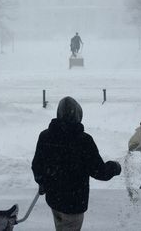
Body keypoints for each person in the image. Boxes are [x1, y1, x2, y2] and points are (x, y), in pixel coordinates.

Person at [32, 96, 121, 231]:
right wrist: (114, 167)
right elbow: (99, 171)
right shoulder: (83, 141)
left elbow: (37, 165)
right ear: (79, 115)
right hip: (73, 204)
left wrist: (42, 181)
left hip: (54, 200)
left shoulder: (45, 136)